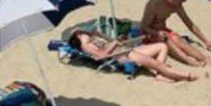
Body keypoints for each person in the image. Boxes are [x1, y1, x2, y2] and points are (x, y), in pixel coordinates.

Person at [69, 30, 202, 82]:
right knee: (159, 64)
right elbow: (102, 55)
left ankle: (160, 74)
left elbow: (113, 42)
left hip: (128, 50)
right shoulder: (86, 46)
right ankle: (188, 76)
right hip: (123, 56)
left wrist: (103, 36)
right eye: (83, 33)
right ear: (79, 36)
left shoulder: (91, 40)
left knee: (162, 46)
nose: (86, 33)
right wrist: (114, 43)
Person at [141, 0, 211, 67]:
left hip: (163, 30)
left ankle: (206, 59)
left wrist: (206, 41)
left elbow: (189, 23)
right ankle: (190, 62)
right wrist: (156, 33)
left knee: (179, 40)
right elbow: (144, 26)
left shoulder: (177, 5)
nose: (180, 5)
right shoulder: (155, 4)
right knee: (167, 39)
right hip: (149, 33)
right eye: (179, 2)